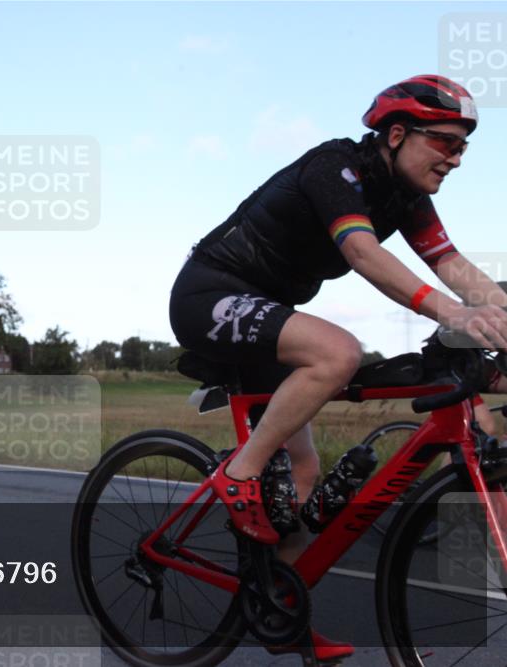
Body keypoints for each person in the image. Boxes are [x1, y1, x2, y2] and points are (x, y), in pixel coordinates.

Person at [168, 75, 507, 660]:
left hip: (270, 314)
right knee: (338, 352)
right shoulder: (336, 168)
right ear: (397, 134)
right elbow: (361, 252)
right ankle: (237, 474)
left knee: (300, 483)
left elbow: (452, 265)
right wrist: (449, 311)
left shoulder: (407, 199)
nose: (455, 159)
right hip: (211, 294)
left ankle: (281, 612)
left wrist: (499, 310)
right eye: (445, 144)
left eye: (463, 148)